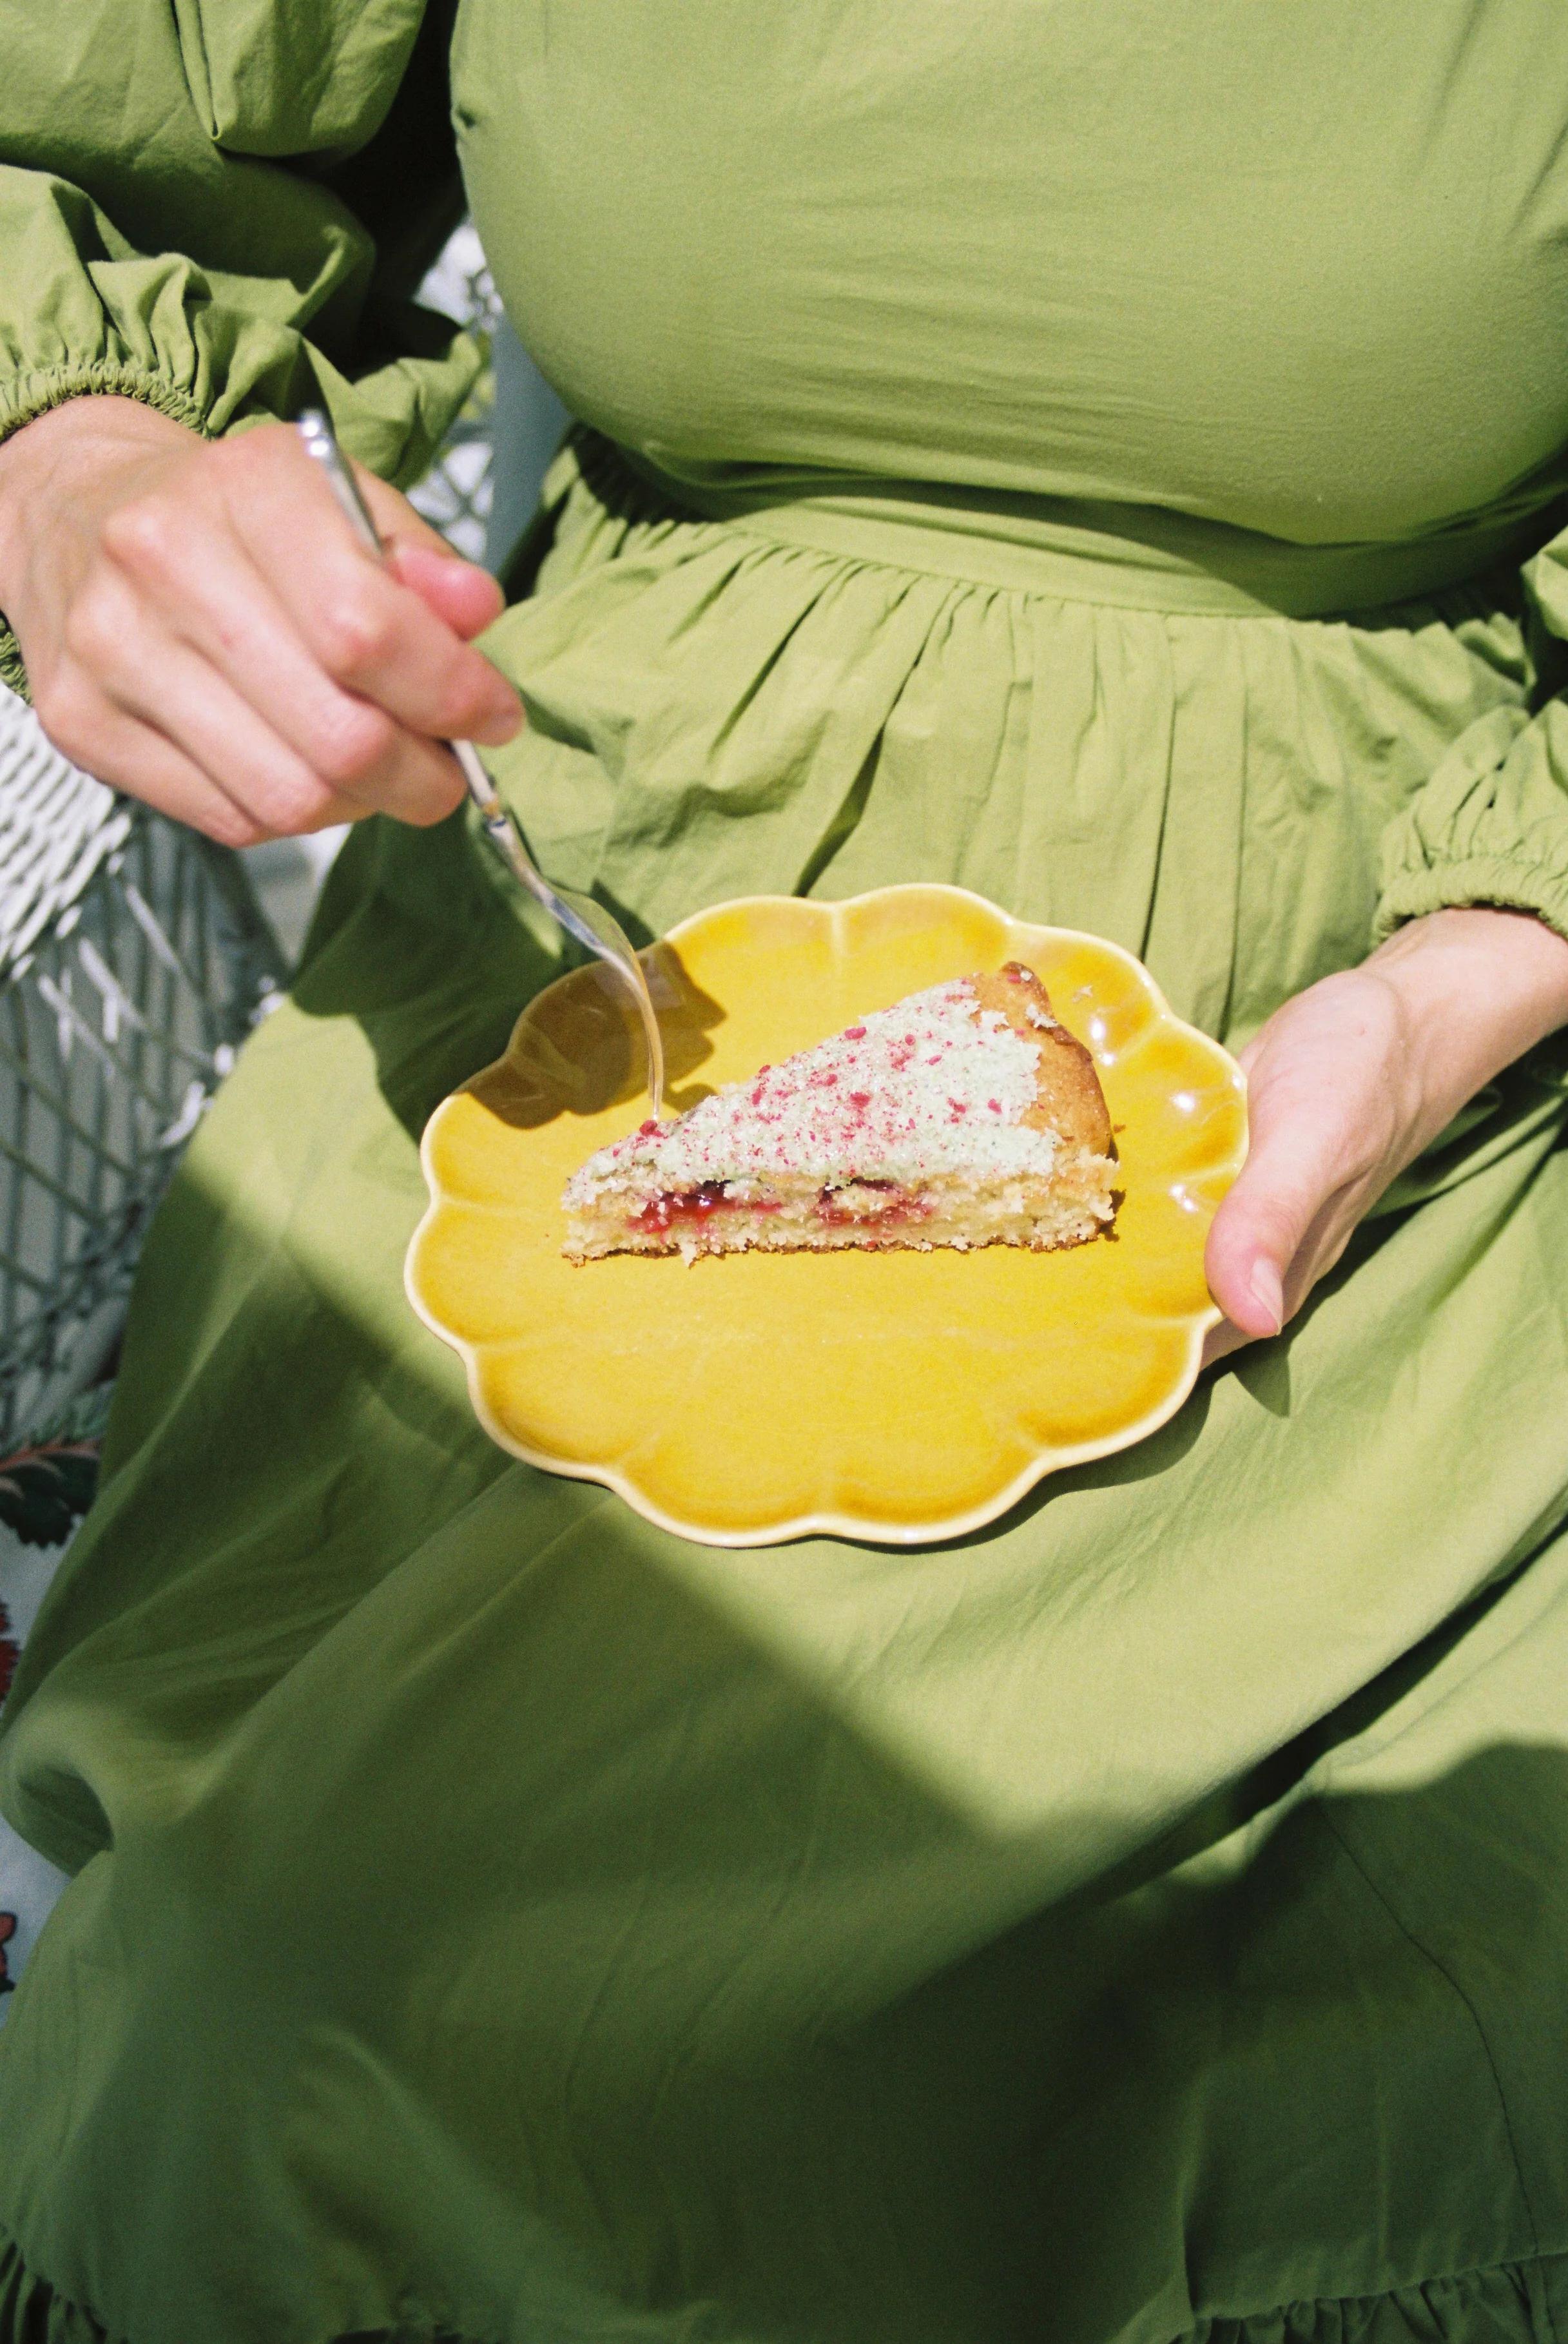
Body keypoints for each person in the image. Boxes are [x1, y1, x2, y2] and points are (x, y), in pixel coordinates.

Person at [2, 3, 1568, 2339]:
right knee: (285, 1989)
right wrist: (84, 470)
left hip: (1399, 960)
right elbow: (94, 139)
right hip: (575, 892)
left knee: (802, 2069)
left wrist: (1482, 956)